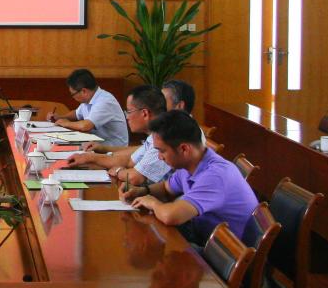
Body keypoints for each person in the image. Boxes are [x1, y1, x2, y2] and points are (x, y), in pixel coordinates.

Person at [128, 110, 258, 245]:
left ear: (184, 149)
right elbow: (166, 189)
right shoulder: (191, 164)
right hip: (204, 235)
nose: (160, 157)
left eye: (162, 151)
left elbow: (171, 216)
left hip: (223, 251)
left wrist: (152, 203)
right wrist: (142, 192)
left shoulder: (215, 176)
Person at [65, 85, 169, 186]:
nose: (127, 117)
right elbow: (129, 161)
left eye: (129, 111)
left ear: (145, 113)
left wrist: (118, 171)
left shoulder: (163, 138)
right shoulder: (153, 136)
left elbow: (135, 177)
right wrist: (90, 158)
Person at [50, 68, 129, 146]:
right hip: (97, 143)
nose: (73, 97)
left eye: (73, 94)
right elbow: (76, 113)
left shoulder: (104, 101)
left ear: (84, 91)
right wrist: (60, 117)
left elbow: (86, 126)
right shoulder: (89, 99)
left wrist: (66, 123)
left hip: (113, 148)